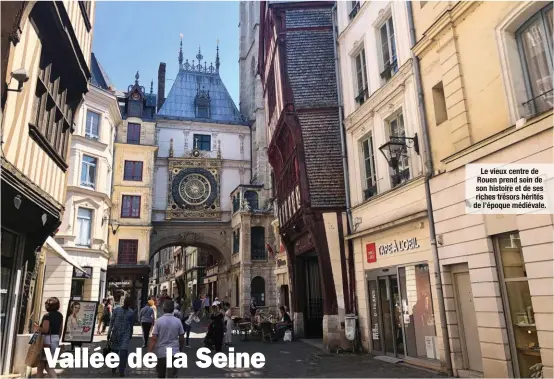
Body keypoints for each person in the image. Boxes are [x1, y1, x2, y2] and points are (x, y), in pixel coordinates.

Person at [148, 300, 185, 378]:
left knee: (161, 375)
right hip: (174, 352)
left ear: (163, 309)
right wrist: (180, 350)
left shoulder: (158, 321)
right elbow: (181, 338)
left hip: (161, 353)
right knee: (172, 375)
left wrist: (150, 351)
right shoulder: (178, 321)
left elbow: (154, 338)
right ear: (172, 309)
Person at [34, 297, 63, 378]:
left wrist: (37, 327)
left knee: (45, 366)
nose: (45, 305)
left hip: (46, 341)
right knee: (43, 366)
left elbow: (45, 330)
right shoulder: (60, 315)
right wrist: (56, 340)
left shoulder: (47, 316)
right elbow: (60, 329)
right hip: (55, 340)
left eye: (46, 304)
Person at [108, 297, 135, 377]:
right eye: (127, 302)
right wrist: (109, 332)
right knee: (114, 352)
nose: (127, 303)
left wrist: (130, 334)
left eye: (129, 302)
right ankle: (113, 366)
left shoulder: (131, 312)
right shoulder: (117, 310)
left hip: (125, 334)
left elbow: (131, 325)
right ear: (124, 302)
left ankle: (121, 370)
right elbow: (112, 321)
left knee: (123, 352)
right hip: (115, 334)